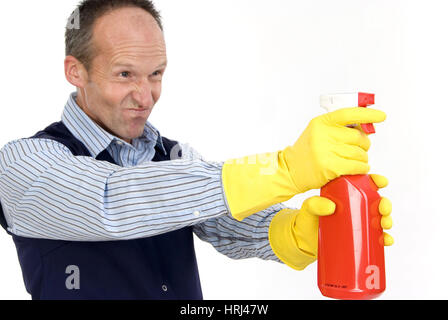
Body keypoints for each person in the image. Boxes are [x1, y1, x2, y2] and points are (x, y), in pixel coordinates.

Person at [0, 0, 393, 300]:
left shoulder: (173, 159)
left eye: (156, 74)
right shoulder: (24, 163)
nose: (145, 95)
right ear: (76, 72)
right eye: (125, 74)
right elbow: (112, 201)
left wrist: (300, 232)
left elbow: (226, 222)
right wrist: (284, 169)